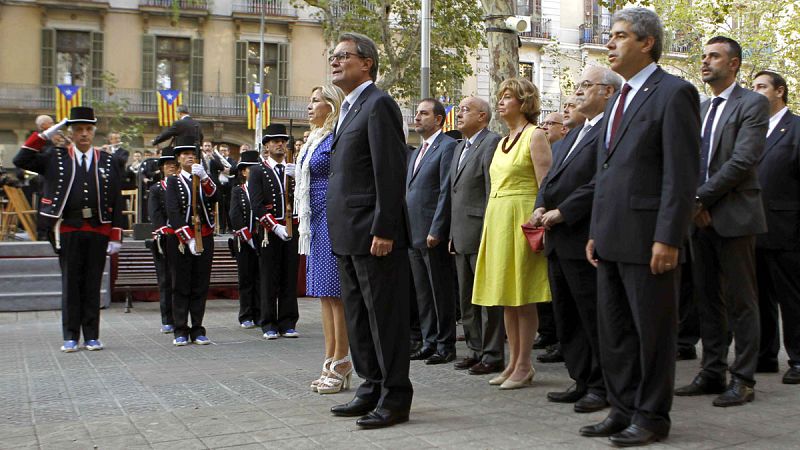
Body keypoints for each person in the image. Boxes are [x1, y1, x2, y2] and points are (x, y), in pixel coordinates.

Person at [580, 8, 700, 446]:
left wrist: (668, 237)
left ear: (647, 43)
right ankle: (623, 407)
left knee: (652, 334)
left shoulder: (675, 93)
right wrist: (596, 229)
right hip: (611, 236)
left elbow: (681, 173)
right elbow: (606, 172)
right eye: (610, 37)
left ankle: (651, 416)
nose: (610, 43)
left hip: (650, 239)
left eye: (619, 36)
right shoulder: (619, 98)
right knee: (615, 333)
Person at [675, 36, 769, 408]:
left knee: (741, 300)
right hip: (698, 218)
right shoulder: (698, 108)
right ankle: (712, 371)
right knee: (706, 299)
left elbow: (743, 161)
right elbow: (684, 158)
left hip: (734, 215)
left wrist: (700, 197)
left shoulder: (753, 104)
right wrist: (692, 202)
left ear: (734, 64)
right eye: (703, 56)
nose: (705, 62)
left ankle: (743, 378)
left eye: (714, 56)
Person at [326, 32, 412, 428]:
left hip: (373, 233)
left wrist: (385, 228)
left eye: (343, 55)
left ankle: (395, 396)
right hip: (347, 232)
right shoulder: (347, 109)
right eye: (333, 56)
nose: (335, 60)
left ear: (367, 63)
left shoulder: (379, 105)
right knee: (360, 318)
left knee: (384, 318)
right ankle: (370, 387)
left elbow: (390, 172)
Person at [533, 66, 622, 414]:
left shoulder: (611, 132)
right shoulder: (572, 134)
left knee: (591, 315)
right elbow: (550, 178)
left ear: (608, 93)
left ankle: (602, 385)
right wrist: (540, 206)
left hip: (584, 236)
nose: (579, 91)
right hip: (557, 238)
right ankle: (582, 378)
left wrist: (564, 211)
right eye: (578, 84)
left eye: (587, 85)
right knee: (567, 314)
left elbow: (600, 181)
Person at [14, 106, 125, 352]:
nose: (83, 134)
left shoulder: (108, 159)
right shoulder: (56, 156)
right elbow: (20, 160)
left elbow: (117, 198)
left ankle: (92, 336)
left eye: (88, 129)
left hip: (98, 229)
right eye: (78, 130)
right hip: (67, 229)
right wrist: (43, 135)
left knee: (93, 284)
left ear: (94, 132)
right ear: (71, 132)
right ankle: (71, 336)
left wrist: (116, 232)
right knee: (71, 283)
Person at [472, 77, 552, 390]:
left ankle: (524, 364)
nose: (501, 102)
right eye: (500, 97)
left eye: (508, 97)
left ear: (524, 102)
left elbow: (546, 182)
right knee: (507, 296)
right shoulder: (504, 139)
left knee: (523, 296)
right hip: (497, 217)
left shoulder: (535, 136)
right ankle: (512, 362)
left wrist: (539, 214)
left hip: (521, 217)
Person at [296, 84, 352, 394]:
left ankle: (342, 358)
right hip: (314, 220)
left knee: (336, 293)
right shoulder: (314, 139)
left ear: (332, 105)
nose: (309, 105)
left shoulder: (335, 138)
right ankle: (330, 357)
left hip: (332, 218)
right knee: (324, 294)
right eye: (310, 99)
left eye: (316, 100)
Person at [751, 70, 800, 385]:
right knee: (760, 297)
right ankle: (765, 355)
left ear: (779, 91)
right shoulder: (752, 129)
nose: (754, 92)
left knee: (792, 298)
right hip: (753, 228)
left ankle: (798, 359)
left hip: (788, 229)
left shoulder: (796, 128)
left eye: (761, 86)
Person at [449, 96, 504, 375]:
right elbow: (454, 194)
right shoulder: (460, 148)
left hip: (480, 230)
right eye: (459, 110)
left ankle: (493, 353)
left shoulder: (491, 143)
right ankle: (475, 348)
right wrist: (450, 233)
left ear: (482, 116)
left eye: (465, 110)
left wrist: (489, 231)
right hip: (460, 234)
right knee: (466, 297)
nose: (459, 114)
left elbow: (489, 191)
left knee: (487, 298)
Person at [407, 98, 458, 365]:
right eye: (417, 113)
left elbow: (444, 191)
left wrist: (438, 228)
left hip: (432, 233)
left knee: (440, 291)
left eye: (424, 113)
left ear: (438, 119)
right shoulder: (417, 152)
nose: (417, 117)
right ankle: (429, 341)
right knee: (423, 293)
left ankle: (445, 344)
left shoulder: (448, 147)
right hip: (413, 233)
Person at [165, 136, 219, 346]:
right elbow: (173, 210)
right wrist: (186, 238)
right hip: (181, 238)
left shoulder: (202, 178)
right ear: (178, 158)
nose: (189, 157)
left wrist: (205, 177)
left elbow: (215, 198)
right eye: (185, 154)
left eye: (192, 154)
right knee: (181, 284)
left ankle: (197, 328)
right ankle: (180, 328)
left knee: (200, 284)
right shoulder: (173, 181)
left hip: (204, 236)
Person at [248, 124, 300, 340]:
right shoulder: (258, 170)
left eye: (283, 141)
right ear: (266, 145)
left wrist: (298, 176)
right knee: (269, 276)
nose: (280, 144)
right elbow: (257, 204)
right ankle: (268, 322)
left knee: (290, 275)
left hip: (292, 227)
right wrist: (274, 226)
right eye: (275, 141)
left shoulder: (293, 168)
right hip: (270, 231)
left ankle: (288, 321)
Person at [148, 147, 179, 334]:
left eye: (174, 165)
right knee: (166, 279)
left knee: (180, 280)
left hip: (183, 237)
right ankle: (167, 318)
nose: (172, 168)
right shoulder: (156, 189)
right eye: (168, 165)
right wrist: (167, 230)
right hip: (165, 237)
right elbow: (155, 214)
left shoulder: (184, 185)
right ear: (162, 168)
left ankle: (180, 316)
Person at [230, 149, 261, 329]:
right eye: (250, 168)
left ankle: (259, 313)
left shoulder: (261, 189)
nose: (254, 171)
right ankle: (246, 314)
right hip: (243, 241)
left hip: (260, 239)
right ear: (243, 172)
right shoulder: (238, 191)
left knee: (260, 278)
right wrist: (246, 236)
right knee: (246, 279)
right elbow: (234, 215)